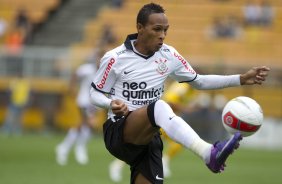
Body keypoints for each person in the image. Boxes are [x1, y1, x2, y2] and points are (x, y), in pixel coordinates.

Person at [89, 3, 270, 183]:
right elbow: (94, 94)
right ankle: (208, 153)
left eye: (165, 30)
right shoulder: (115, 58)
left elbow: (199, 81)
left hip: (149, 138)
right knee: (159, 106)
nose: (162, 36)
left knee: (157, 109)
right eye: (157, 29)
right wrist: (110, 104)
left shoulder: (169, 55)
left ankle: (208, 154)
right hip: (119, 131)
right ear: (140, 28)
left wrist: (241, 78)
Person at [55, 48, 102, 165]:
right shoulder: (88, 69)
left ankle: (65, 148)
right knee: (88, 123)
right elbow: (75, 73)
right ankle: (77, 149)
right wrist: (72, 87)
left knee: (84, 126)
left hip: (94, 102)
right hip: (84, 100)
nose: (100, 61)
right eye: (99, 58)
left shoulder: (105, 72)